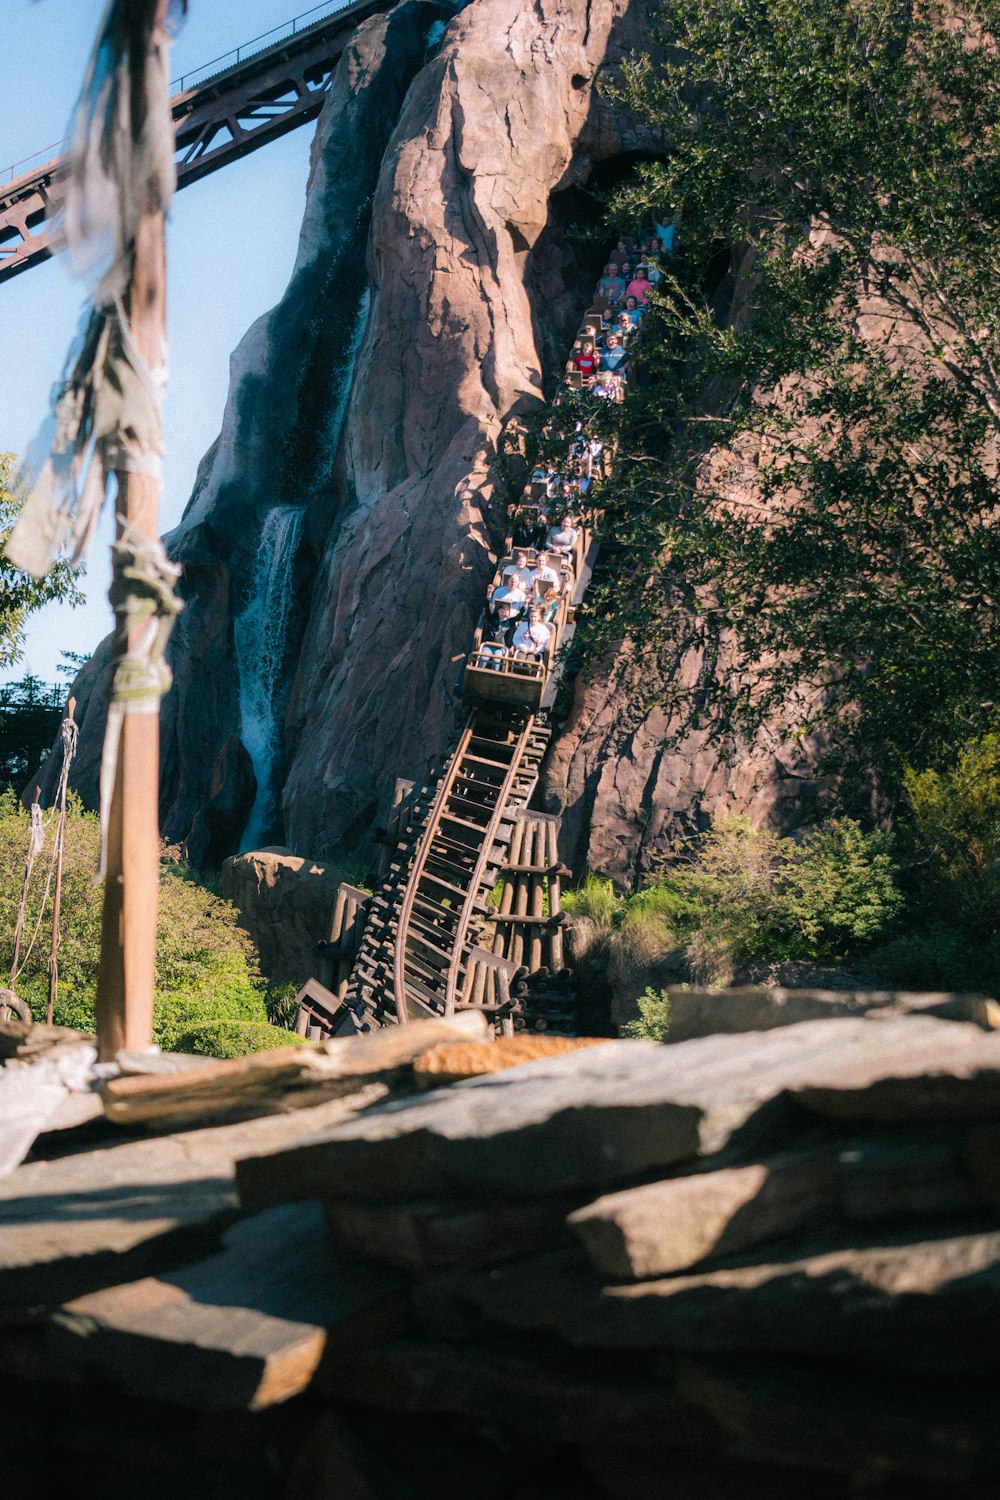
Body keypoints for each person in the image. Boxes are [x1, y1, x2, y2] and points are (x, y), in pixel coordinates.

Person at [478, 601, 516, 669]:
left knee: (496, 660)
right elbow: (487, 611)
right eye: (502, 612)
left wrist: (508, 646)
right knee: (484, 658)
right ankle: (479, 672)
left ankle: (495, 676)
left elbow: (510, 638)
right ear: (498, 611)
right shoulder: (493, 620)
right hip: (489, 645)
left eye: (505, 613)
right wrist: (488, 598)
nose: (503, 614)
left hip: (500, 647)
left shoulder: (509, 624)